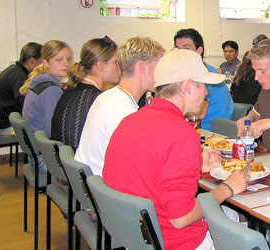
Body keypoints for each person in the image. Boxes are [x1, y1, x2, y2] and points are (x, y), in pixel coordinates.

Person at [103, 49, 250, 250]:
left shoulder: (129, 121)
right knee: (250, 234)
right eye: (204, 86)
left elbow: (153, 170)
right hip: (176, 242)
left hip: (136, 236)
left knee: (232, 215)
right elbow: (181, 217)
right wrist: (227, 188)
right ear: (188, 86)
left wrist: (195, 163)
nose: (207, 92)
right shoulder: (182, 133)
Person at [75, 37, 165, 176]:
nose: (162, 74)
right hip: (104, 190)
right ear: (142, 67)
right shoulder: (124, 113)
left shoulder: (107, 96)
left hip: (90, 184)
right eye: (159, 67)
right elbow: (144, 167)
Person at [51, 36, 118, 150]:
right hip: (81, 165)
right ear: (101, 65)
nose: (119, 67)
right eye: (115, 62)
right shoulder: (97, 100)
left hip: (65, 165)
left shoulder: (70, 91)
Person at [20, 40, 72, 173]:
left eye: (68, 59)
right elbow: (54, 133)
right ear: (46, 63)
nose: (66, 64)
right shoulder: (51, 90)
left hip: (36, 155)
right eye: (59, 60)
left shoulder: (39, 82)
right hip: (45, 159)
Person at [174, 28, 233, 130]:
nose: (181, 53)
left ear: (199, 51)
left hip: (211, 129)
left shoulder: (205, 73)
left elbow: (199, 114)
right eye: (178, 49)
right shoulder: (192, 70)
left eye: (186, 48)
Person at [0, 42, 42, 131]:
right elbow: (26, 103)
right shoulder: (20, 76)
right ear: (33, 61)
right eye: (42, 61)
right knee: (44, 127)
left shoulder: (14, 70)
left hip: (1, 122)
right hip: (6, 125)